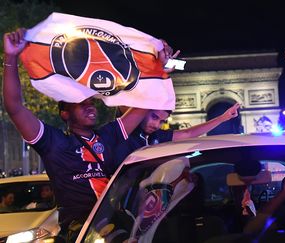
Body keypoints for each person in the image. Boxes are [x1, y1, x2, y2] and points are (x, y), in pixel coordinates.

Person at [2, 28, 172, 241]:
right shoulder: (54, 143)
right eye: (81, 104)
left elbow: (145, 104)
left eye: (91, 102)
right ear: (65, 113)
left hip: (119, 224)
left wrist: (160, 70)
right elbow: (14, 107)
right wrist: (10, 57)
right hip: (81, 232)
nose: (90, 107)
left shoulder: (108, 135)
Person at [112, 103, 240, 167]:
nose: (156, 125)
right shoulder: (124, 133)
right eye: (154, 117)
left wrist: (223, 118)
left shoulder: (156, 135)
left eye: (162, 121)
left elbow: (188, 133)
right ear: (143, 112)